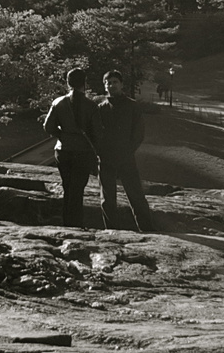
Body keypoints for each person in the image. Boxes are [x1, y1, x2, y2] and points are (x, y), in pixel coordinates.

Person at [95, 69, 156, 233]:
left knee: (136, 197)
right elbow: (94, 134)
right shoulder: (100, 108)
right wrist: (101, 153)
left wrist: (127, 152)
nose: (111, 85)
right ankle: (112, 233)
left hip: (126, 158)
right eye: (108, 82)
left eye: (115, 82)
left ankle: (148, 231)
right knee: (107, 200)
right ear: (104, 85)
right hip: (106, 159)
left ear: (121, 84)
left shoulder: (132, 106)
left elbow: (138, 134)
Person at [43, 68, 98, 228]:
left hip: (63, 150)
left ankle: (67, 222)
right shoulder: (91, 105)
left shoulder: (58, 102)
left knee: (67, 186)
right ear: (84, 83)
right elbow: (97, 132)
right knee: (78, 188)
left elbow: (48, 126)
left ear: (68, 83)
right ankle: (75, 224)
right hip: (82, 152)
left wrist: (62, 135)